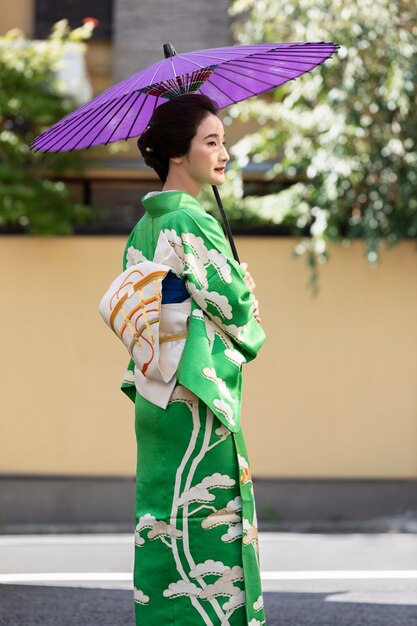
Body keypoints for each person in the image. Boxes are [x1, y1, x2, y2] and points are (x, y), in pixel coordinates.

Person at [121, 93, 266, 625]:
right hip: (195, 400)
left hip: (157, 394)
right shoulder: (192, 221)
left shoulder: (145, 228)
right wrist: (244, 288)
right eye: (212, 141)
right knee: (211, 525)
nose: (224, 152)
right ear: (179, 154)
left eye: (223, 141)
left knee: (163, 519)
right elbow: (234, 306)